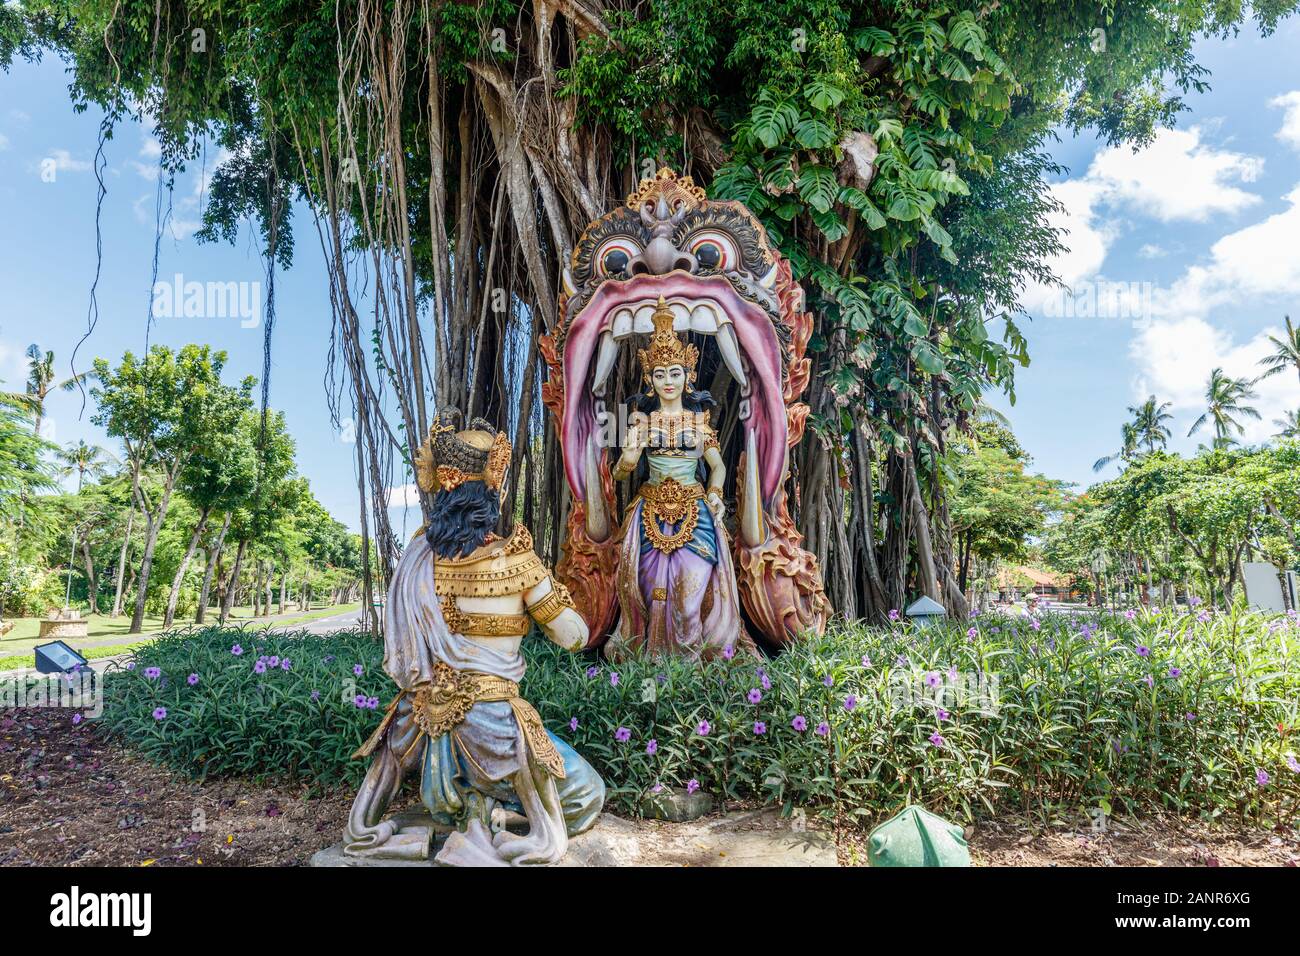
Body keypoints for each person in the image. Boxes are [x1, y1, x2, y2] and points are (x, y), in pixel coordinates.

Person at [343, 412, 604, 866]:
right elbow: (574, 637)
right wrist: (554, 591)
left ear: (443, 489)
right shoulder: (516, 563)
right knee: (586, 793)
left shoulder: (416, 559)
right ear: (493, 490)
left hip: (418, 725)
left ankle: (474, 815)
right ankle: (497, 818)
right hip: (494, 731)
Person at [605, 298, 756, 660]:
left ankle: (689, 667)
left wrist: (716, 493)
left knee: (689, 592)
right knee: (651, 590)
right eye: (659, 374)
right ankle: (652, 661)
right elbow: (620, 472)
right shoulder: (641, 422)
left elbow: (716, 466)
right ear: (649, 378)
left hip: (695, 510)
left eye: (675, 372)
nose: (667, 381)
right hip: (649, 512)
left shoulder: (698, 421)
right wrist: (626, 460)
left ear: (688, 376)